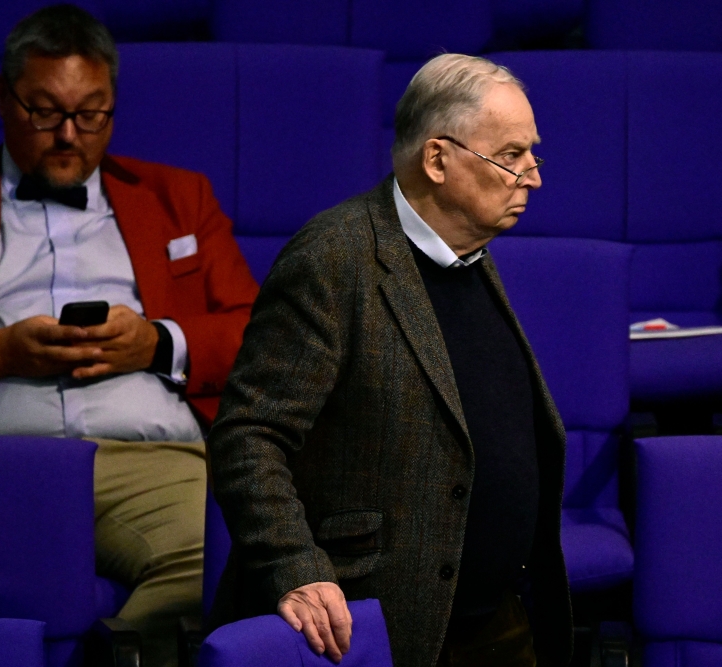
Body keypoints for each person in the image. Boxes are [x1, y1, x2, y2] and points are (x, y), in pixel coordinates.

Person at [0, 5, 259, 666]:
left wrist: (155, 342)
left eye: (92, 114)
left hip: (150, 460)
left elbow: (255, 339)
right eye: (45, 112)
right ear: (4, 99)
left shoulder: (181, 197)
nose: (69, 136)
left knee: (233, 553)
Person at [207, 54, 572, 667]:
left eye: (532, 153)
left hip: (498, 616)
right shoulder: (333, 259)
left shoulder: (471, 253)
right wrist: (293, 565)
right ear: (437, 160)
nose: (532, 176)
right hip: (374, 625)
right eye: (511, 156)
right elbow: (249, 435)